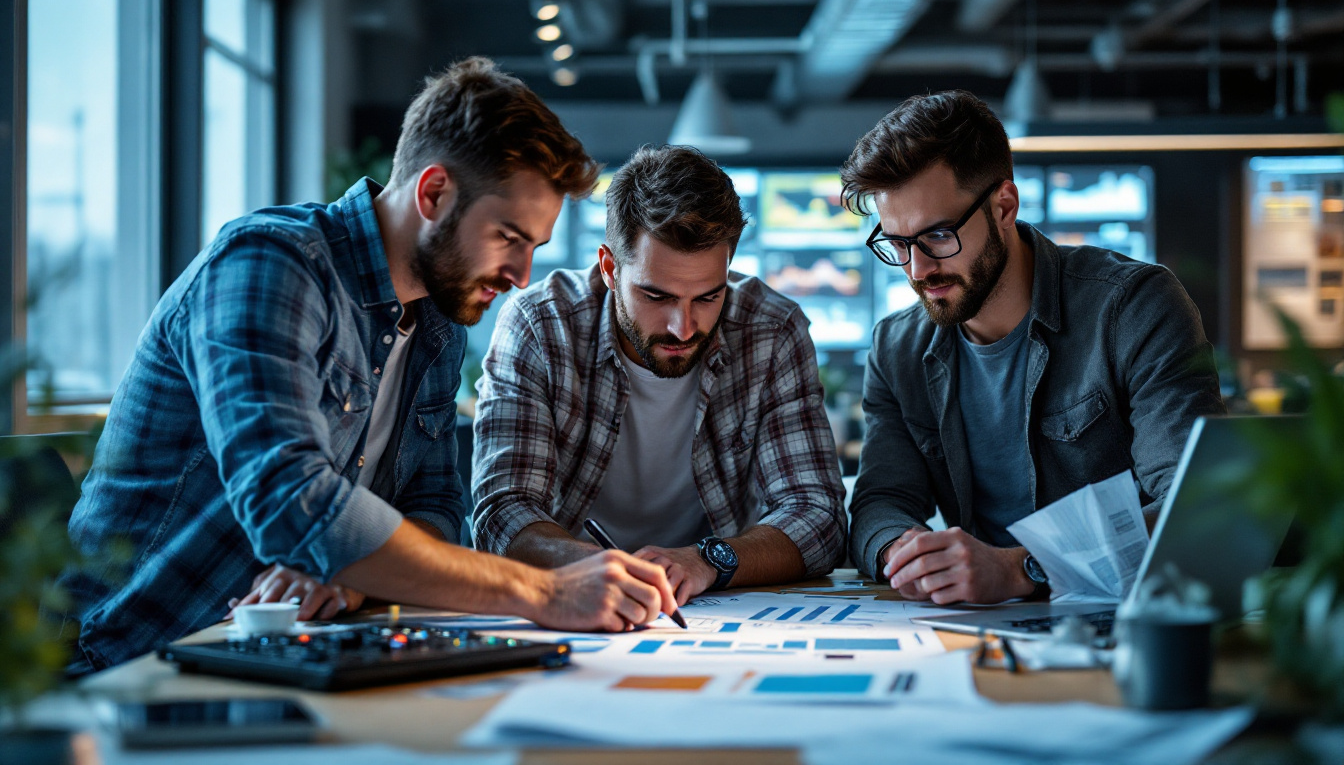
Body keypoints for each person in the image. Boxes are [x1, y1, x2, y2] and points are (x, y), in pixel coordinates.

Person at [62, 58, 678, 672]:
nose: (520, 278)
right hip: (134, 659)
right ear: (434, 193)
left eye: (533, 249)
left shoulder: (436, 322)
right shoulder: (269, 265)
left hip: (283, 656)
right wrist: (542, 591)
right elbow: (291, 504)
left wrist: (353, 579)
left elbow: (436, 509)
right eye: (508, 237)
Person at [840, 91, 1224, 604]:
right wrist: (901, 551)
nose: (917, 270)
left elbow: (1196, 507)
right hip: (977, 631)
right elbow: (880, 501)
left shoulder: (1133, 308)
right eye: (897, 243)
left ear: (1004, 206)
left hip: (1126, 620)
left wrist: (1023, 569)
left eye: (937, 236)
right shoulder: (897, 348)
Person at [472, 145, 846, 605]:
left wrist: (707, 560)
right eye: (657, 296)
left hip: (717, 602)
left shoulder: (772, 330)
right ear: (610, 268)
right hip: (574, 596)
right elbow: (502, 513)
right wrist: (595, 570)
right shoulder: (541, 325)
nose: (683, 327)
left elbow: (818, 515)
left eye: (708, 297)